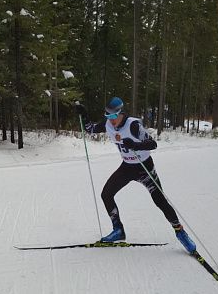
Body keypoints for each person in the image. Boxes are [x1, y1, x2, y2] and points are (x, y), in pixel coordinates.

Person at [76, 96, 196, 253]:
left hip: (144, 168)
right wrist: (83, 115)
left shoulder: (133, 125)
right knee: (106, 194)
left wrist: (135, 145)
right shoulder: (108, 124)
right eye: (108, 116)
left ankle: (180, 232)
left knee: (160, 201)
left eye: (113, 116)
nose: (110, 120)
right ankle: (118, 230)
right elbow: (90, 129)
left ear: (121, 113)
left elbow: (153, 144)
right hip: (127, 167)